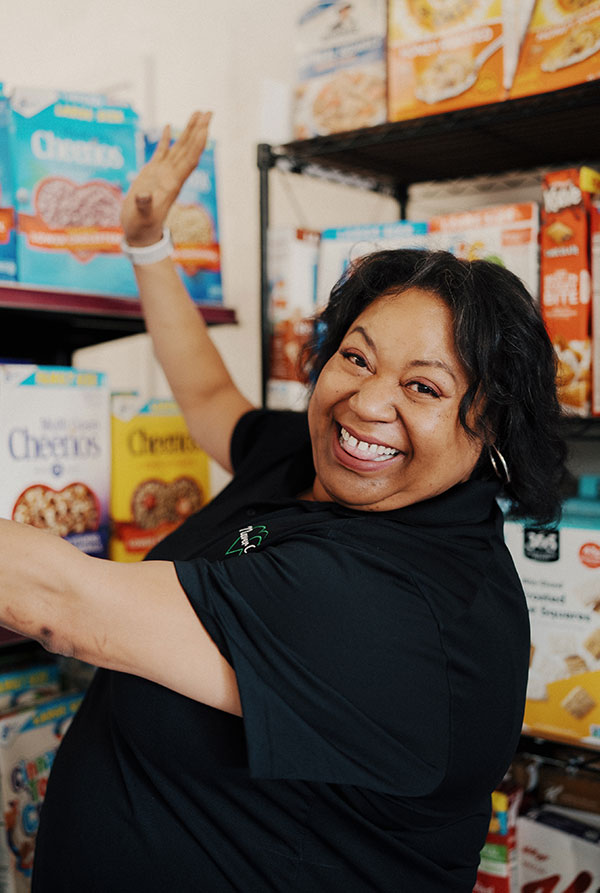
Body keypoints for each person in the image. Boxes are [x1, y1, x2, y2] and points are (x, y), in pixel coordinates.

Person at [0, 112, 565, 891]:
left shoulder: (404, 608)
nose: (367, 402)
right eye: (355, 357)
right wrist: (147, 242)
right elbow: (207, 396)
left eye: (424, 386)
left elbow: (56, 603)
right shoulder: (323, 462)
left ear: (492, 426)